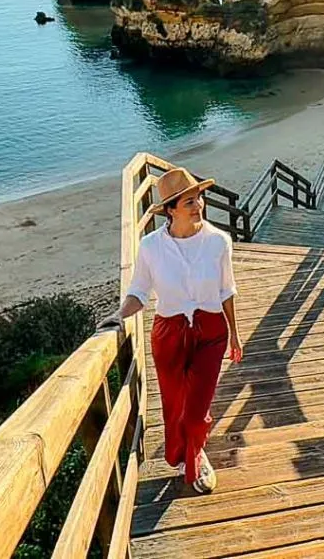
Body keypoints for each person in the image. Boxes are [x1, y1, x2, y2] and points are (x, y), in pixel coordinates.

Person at [101, 167, 243, 494]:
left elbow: (227, 290)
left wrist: (234, 333)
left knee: (196, 411)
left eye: (200, 199)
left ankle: (196, 459)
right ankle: (183, 454)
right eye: (189, 201)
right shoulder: (150, 246)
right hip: (169, 333)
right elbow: (138, 292)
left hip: (211, 332)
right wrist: (119, 316)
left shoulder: (219, 242)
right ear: (170, 209)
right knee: (174, 405)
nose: (199, 206)